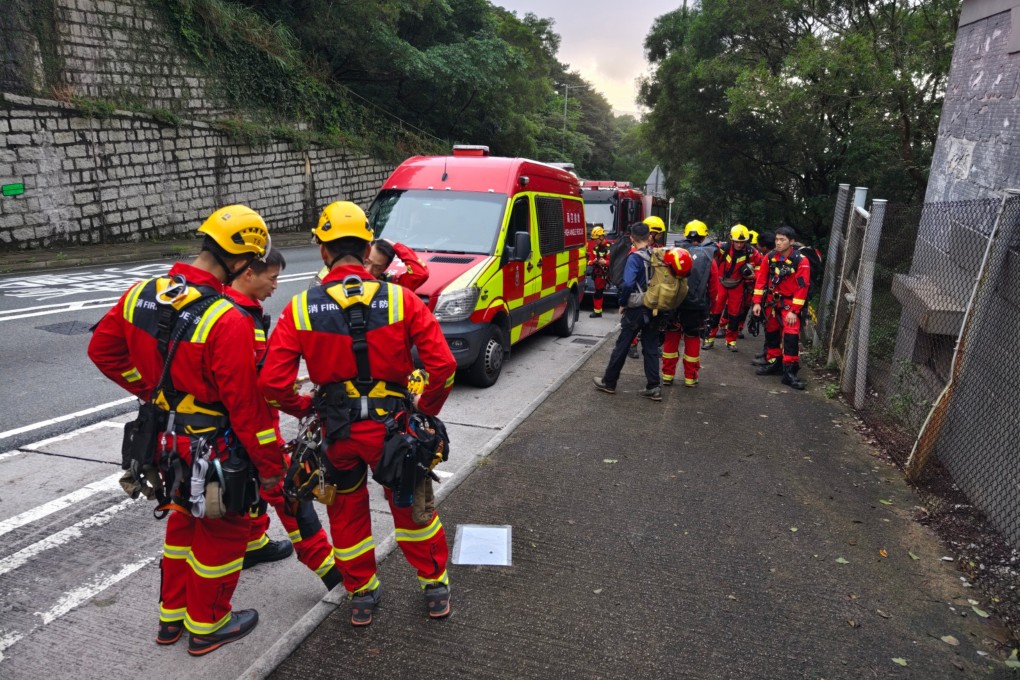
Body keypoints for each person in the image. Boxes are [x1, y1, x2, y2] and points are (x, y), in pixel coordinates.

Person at [87, 205, 286, 656]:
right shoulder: (226, 318)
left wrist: (155, 392)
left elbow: (103, 350)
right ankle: (209, 624)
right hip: (213, 445)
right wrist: (270, 468)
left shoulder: (140, 294)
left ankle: (171, 619)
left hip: (162, 441)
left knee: (181, 520)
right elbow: (246, 407)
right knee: (223, 528)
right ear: (240, 260)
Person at [259, 200, 457, 627]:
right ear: (368, 249)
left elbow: (274, 385)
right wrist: (425, 410)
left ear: (324, 252)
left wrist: (307, 405)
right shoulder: (402, 299)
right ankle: (435, 586)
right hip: (395, 431)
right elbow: (443, 366)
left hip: (338, 432)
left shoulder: (300, 307)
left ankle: (362, 595)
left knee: (346, 515)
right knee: (412, 510)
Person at [227, 250, 342, 588]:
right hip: (253, 423)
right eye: (272, 277)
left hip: (234, 425)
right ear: (249, 273)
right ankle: (326, 567)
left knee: (251, 484)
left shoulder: (232, 309)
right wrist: (299, 405)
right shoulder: (236, 318)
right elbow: (251, 389)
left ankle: (253, 542)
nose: (277, 285)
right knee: (286, 489)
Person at [592, 221, 662, 401]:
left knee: (622, 346)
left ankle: (609, 382)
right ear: (649, 237)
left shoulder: (634, 258)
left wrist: (623, 303)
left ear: (631, 238)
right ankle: (654, 386)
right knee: (651, 348)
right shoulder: (655, 254)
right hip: (654, 306)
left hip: (636, 308)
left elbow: (629, 284)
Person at [662, 220, 721, 386]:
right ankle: (690, 377)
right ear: (703, 237)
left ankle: (667, 375)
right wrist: (711, 309)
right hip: (695, 308)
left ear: (686, 235)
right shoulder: (710, 258)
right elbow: (714, 289)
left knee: (671, 337)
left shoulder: (673, 254)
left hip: (674, 306)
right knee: (692, 339)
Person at [752, 225, 810, 390]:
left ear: (791, 241)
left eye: (782, 240)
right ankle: (774, 364)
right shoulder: (769, 257)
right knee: (771, 334)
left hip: (790, 305)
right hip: (772, 303)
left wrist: (794, 311)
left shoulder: (801, 261)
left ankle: (790, 373)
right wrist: (757, 302)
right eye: (777, 239)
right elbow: (761, 280)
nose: (778, 243)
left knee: (791, 337)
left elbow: (802, 287)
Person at [705, 225, 761, 351]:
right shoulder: (723, 248)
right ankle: (709, 338)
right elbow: (709, 256)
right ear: (731, 239)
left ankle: (731, 341)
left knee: (735, 314)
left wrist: (753, 275)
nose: (740, 245)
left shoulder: (751, 251)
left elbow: (761, 265)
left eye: (742, 242)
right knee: (715, 312)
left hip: (738, 285)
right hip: (721, 284)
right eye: (737, 242)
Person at [365, 239, 430, 292]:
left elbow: (420, 273)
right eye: (366, 262)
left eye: (377, 268)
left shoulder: (393, 285)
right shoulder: (354, 275)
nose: (368, 270)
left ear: (385, 267)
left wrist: (396, 246)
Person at [587, 226, 611, 318]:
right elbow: (589, 261)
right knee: (598, 292)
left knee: (620, 290)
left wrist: (605, 262)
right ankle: (597, 311)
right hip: (598, 274)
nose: (595, 241)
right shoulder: (595, 248)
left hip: (609, 273)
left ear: (601, 237)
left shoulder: (609, 248)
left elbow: (615, 262)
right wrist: (595, 262)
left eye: (596, 239)